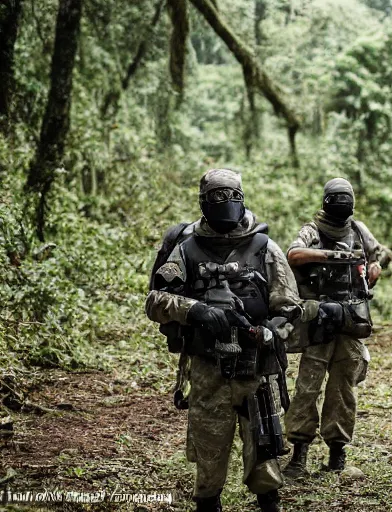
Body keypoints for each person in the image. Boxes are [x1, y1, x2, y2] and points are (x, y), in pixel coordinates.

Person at [145, 168, 309, 512]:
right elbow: (155, 301)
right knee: (208, 443)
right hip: (208, 365)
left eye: (233, 195)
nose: (226, 203)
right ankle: (208, 502)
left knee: (263, 441)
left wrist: (269, 330)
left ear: (243, 199)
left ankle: (269, 500)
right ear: (204, 202)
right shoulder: (187, 249)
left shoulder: (264, 247)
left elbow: (290, 305)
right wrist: (195, 311)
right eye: (218, 196)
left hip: (256, 365)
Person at [283, 177, 385, 476]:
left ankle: (336, 454)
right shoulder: (312, 230)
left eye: (346, 198)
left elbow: (380, 253)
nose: (343, 204)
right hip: (320, 319)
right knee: (307, 388)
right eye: (338, 198)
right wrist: (336, 256)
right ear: (327, 202)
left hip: (351, 319)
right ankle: (299, 454)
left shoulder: (357, 228)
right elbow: (294, 254)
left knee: (344, 389)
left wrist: (375, 267)